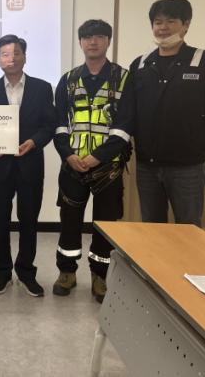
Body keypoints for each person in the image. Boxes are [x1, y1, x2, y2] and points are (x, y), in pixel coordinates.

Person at [110, 0, 205, 227]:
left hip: (187, 167)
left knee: (189, 228)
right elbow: (128, 111)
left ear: (186, 25)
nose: (163, 28)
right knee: (153, 228)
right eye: (158, 22)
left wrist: (196, 144)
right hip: (147, 166)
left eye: (171, 21)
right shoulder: (140, 65)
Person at [52, 20, 130, 303]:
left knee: (104, 224)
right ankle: (66, 272)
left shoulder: (124, 78)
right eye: (87, 37)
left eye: (99, 36)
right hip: (72, 165)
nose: (93, 42)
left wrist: (98, 157)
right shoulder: (68, 79)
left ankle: (100, 276)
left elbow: (125, 125)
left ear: (109, 40)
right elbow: (59, 123)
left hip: (108, 167)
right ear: (80, 42)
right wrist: (68, 154)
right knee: (69, 221)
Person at [0, 35, 56, 297]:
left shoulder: (42, 88)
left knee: (29, 222)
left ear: (25, 56)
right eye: (4, 54)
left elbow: (49, 125)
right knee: (0, 222)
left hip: (30, 165)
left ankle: (26, 272)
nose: (10, 58)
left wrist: (34, 142)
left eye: (16, 53)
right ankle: (1, 273)